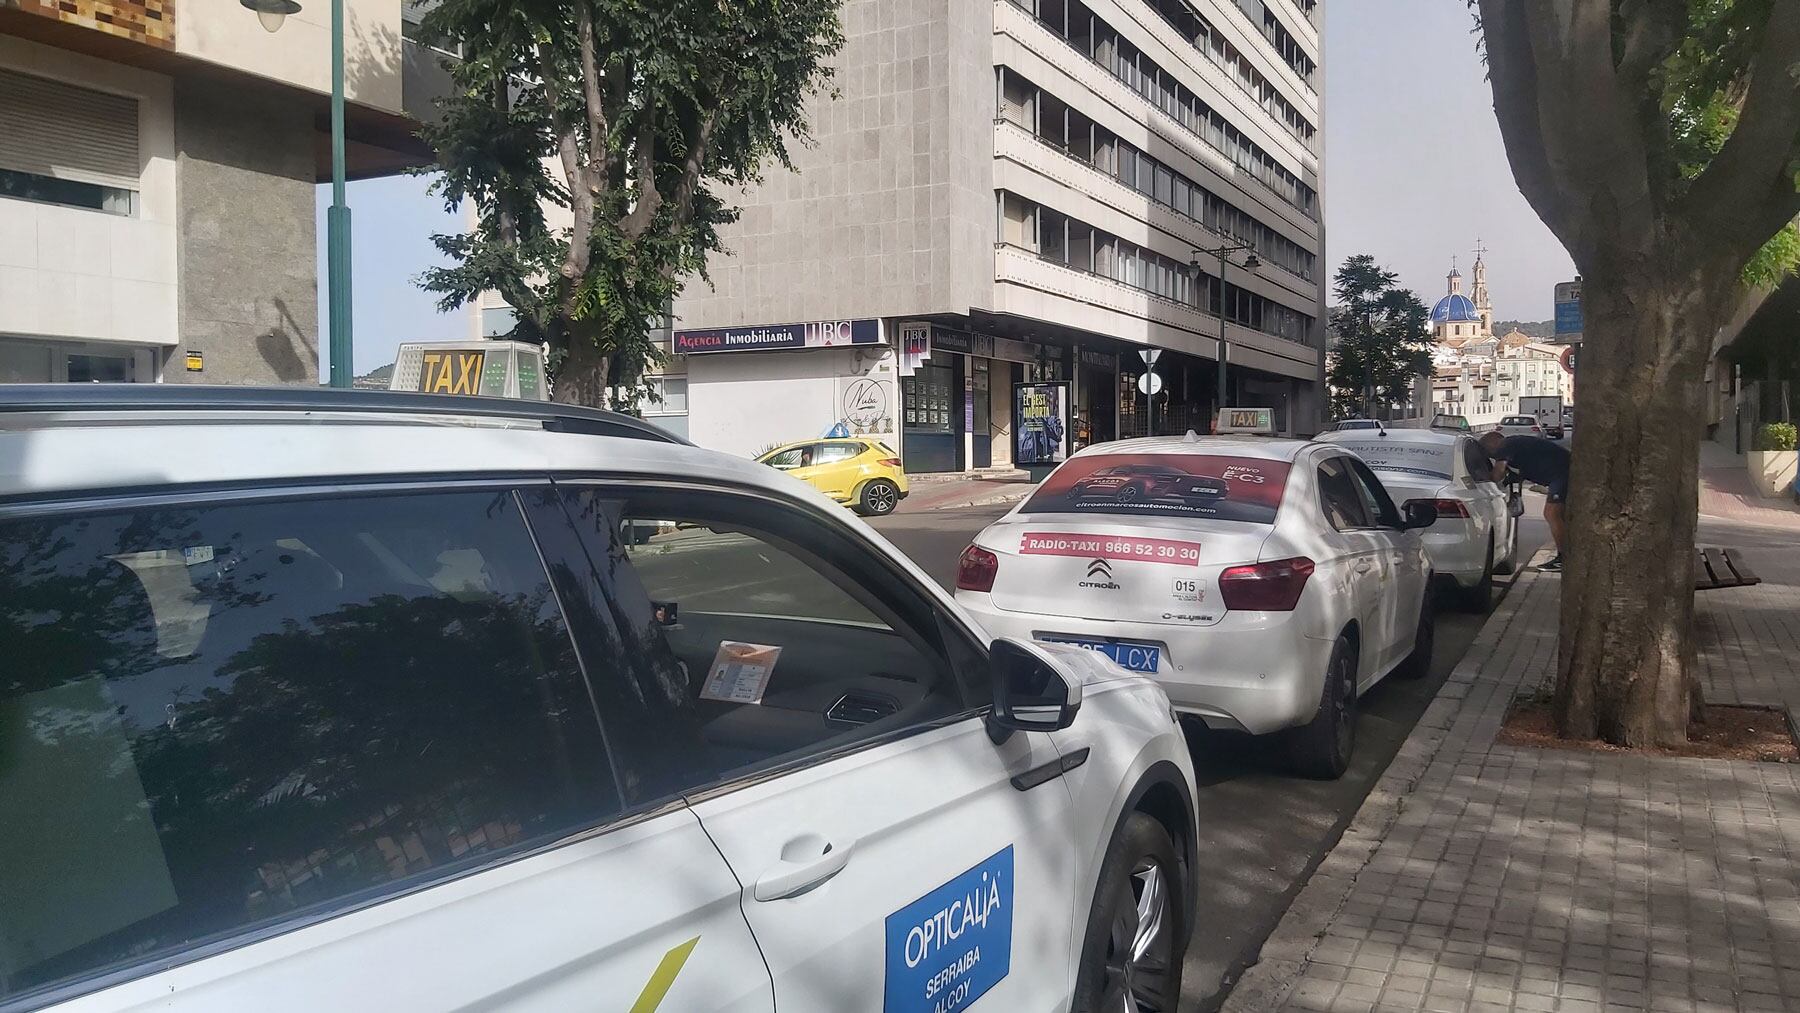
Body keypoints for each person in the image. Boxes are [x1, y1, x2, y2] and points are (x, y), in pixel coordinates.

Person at [1479, 430, 1571, 571]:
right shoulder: (1516, 445)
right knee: (1561, 516)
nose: (1491, 456)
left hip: (1561, 474)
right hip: (1562, 472)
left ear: (1493, 443)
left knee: (1551, 513)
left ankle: (1563, 559)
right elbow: (1529, 463)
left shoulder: (1505, 445)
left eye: (1488, 452)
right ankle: (1568, 555)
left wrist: (1484, 479)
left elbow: (1498, 473)